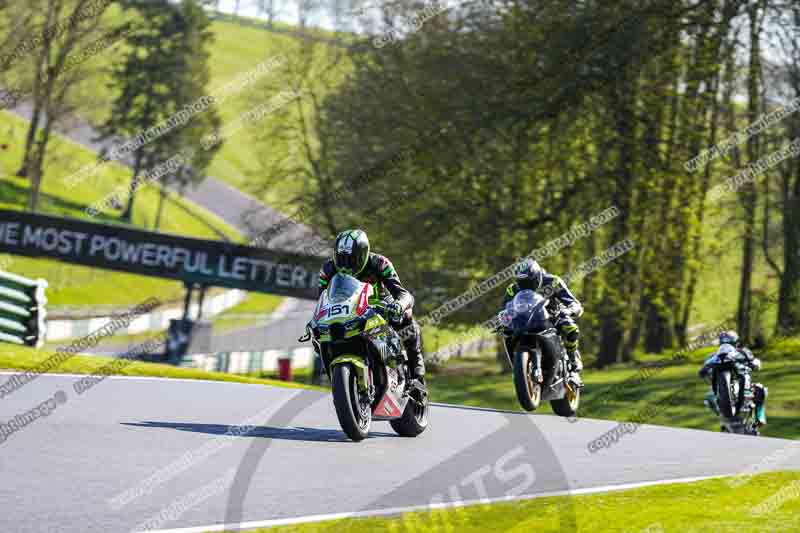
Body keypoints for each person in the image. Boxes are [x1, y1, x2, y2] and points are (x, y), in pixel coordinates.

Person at [317, 229, 425, 380]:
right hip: (348, 311)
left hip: (380, 305)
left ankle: (415, 360)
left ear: (363, 254)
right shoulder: (327, 269)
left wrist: (398, 305)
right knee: (319, 332)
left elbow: (404, 294)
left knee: (406, 313)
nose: (345, 266)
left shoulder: (380, 263)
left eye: (351, 260)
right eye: (341, 259)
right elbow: (322, 299)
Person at [502, 258, 585, 385]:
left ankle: (573, 360)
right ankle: (519, 369)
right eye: (522, 282)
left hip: (552, 316)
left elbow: (572, 301)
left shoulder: (553, 281)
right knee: (506, 332)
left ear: (537, 276)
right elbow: (505, 309)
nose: (525, 285)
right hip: (524, 321)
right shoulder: (512, 289)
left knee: (570, 328)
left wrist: (572, 309)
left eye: (529, 282)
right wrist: (504, 319)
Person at [699, 330, 767, 427]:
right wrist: (704, 370)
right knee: (709, 397)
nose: (726, 345)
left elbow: (755, 362)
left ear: (736, 343)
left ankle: (759, 418)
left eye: (730, 342)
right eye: (724, 343)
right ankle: (722, 415)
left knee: (760, 389)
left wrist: (754, 363)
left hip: (743, 381)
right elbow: (704, 369)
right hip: (719, 388)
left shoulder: (744, 352)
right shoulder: (713, 356)